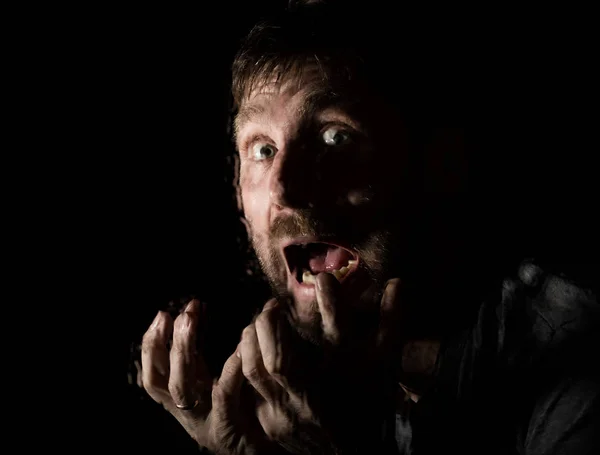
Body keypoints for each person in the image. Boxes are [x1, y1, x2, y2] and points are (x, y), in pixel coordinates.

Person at [140, 1, 599, 453]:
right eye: (261, 149)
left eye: (334, 137)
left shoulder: (574, 352)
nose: (282, 189)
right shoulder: (308, 389)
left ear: (440, 166)